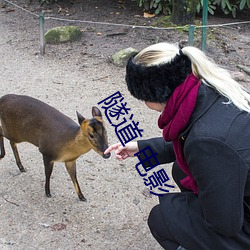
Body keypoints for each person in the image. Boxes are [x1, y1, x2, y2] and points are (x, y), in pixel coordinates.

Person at [104, 42, 250, 250]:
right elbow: (190, 140)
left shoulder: (207, 142)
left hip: (240, 222)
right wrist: (141, 148)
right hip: (240, 186)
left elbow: (225, 224)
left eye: (143, 98)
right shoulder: (208, 88)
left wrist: (188, 211)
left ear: (155, 93)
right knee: (181, 169)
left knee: (162, 218)